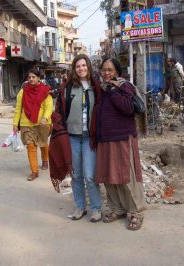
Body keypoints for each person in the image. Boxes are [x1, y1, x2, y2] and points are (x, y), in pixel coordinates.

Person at [49, 54, 102, 222]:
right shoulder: (67, 87)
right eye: (78, 66)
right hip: (72, 137)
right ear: (74, 68)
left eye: (84, 65)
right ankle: (80, 207)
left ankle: (96, 208)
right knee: (76, 175)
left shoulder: (96, 86)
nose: (81, 69)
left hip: (89, 138)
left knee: (89, 175)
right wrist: (60, 132)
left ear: (88, 67)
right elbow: (58, 112)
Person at [95, 58, 146, 231]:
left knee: (126, 177)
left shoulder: (125, 87)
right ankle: (118, 209)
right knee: (109, 177)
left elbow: (128, 109)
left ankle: (136, 212)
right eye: (103, 70)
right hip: (105, 139)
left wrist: (115, 91)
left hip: (122, 138)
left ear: (117, 72)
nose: (106, 73)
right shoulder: (102, 89)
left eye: (110, 70)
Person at [13, 69, 53, 181]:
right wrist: (15, 123)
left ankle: (45, 160)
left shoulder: (45, 91)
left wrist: (45, 118)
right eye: (29, 77)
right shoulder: (23, 92)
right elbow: (18, 108)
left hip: (42, 123)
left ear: (39, 78)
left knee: (43, 144)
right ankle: (34, 171)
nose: (31, 79)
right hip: (26, 123)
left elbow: (49, 107)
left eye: (33, 77)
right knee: (31, 146)